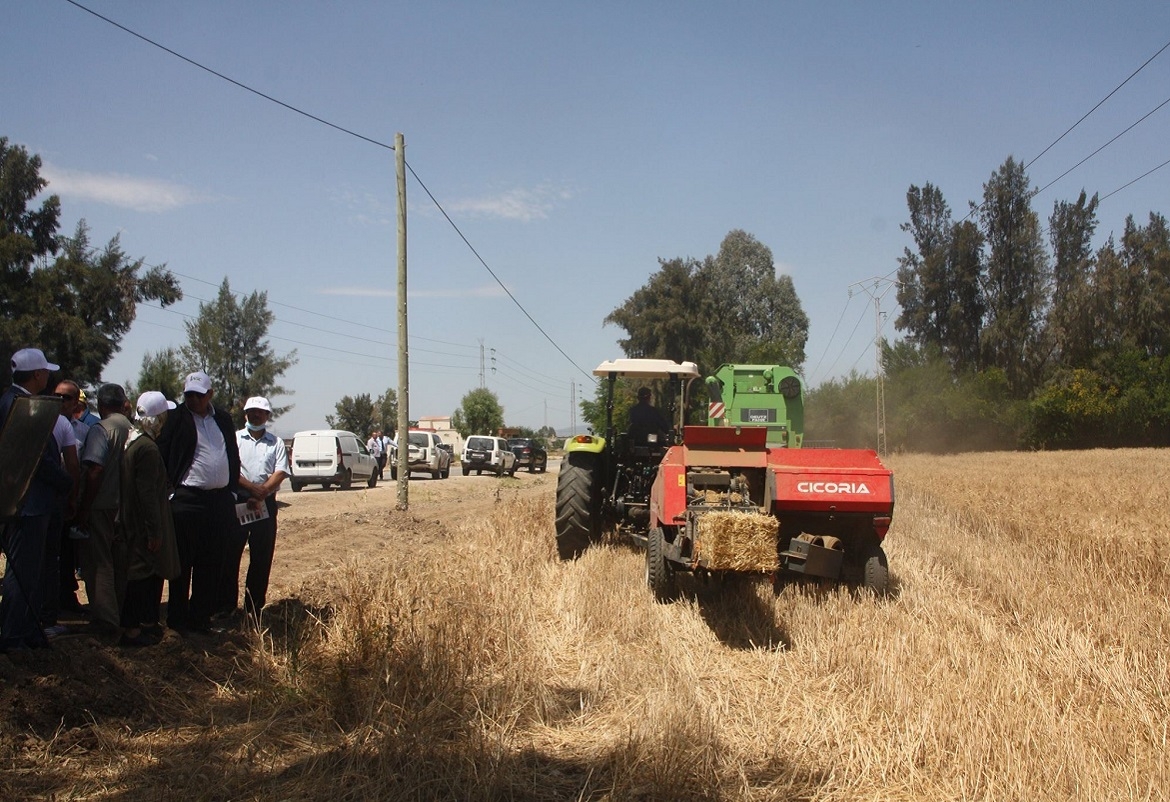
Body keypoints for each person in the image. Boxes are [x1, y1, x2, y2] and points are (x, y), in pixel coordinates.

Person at [156, 370, 240, 633]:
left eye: (198, 395)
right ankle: (178, 619)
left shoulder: (223, 419)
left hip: (218, 502)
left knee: (212, 562)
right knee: (182, 563)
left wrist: (233, 492)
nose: (193, 400)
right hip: (187, 501)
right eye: (189, 395)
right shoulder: (177, 419)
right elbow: (162, 454)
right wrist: (171, 493)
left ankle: (201, 618)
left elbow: (232, 455)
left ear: (210, 395)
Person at [0, 348, 71, 651]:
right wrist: (63, 481)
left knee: (30, 571)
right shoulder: (21, 405)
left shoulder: (11, 401)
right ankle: (14, 635)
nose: (48, 376)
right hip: (28, 503)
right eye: (46, 372)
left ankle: (27, 630)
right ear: (38, 374)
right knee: (23, 571)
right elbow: (35, 456)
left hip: (27, 501)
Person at [118, 391, 181, 647]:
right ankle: (133, 629)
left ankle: (140, 625)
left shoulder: (133, 442)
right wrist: (154, 531)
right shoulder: (148, 449)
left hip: (132, 520)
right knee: (141, 575)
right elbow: (147, 495)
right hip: (143, 524)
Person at [76, 383, 134, 633]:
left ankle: (105, 622)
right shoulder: (135, 430)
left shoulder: (101, 430)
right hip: (128, 509)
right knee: (121, 563)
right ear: (123, 404)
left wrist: (84, 508)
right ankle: (121, 613)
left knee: (99, 563)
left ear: (100, 406)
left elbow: (95, 470)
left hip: (102, 505)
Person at [229, 396, 289, 620]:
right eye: (251, 411)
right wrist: (252, 491)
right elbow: (231, 470)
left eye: (260, 412)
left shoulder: (276, 443)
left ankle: (254, 609)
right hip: (239, 503)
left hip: (265, 505)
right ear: (245, 415)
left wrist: (262, 493)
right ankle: (227, 608)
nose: (255, 415)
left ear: (267, 416)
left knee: (261, 558)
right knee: (231, 556)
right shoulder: (234, 439)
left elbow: (281, 471)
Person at [38, 384, 81, 639]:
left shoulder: (47, 420)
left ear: (75, 401)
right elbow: (73, 466)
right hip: (52, 498)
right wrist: (71, 493)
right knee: (49, 559)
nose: (61, 401)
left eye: (66, 397)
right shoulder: (63, 425)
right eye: (58, 396)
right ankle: (46, 617)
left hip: (43, 499)